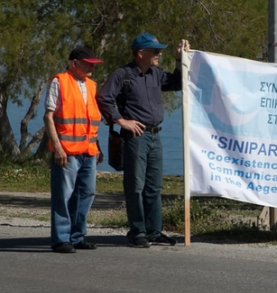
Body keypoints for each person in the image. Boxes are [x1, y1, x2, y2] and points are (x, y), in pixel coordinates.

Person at [98, 33, 191, 248]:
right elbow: (104, 97)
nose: (159, 54)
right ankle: (137, 232)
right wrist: (121, 121)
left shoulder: (156, 74)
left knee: (154, 187)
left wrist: (180, 58)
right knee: (136, 186)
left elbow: (178, 82)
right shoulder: (123, 74)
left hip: (155, 136)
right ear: (141, 53)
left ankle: (154, 231)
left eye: (160, 50)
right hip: (135, 138)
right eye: (155, 51)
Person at [44, 46, 104, 253]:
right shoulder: (59, 81)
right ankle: (61, 239)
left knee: (86, 194)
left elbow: (92, 120)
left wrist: (97, 147)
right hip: (67, 152)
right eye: (88, 64)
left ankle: (77, 236)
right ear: (74, 63)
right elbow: (48, 117)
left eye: (93, 64)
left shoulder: (92, 85)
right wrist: (58, 148)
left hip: (88, 151)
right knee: (64, 196)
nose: (91, 68)